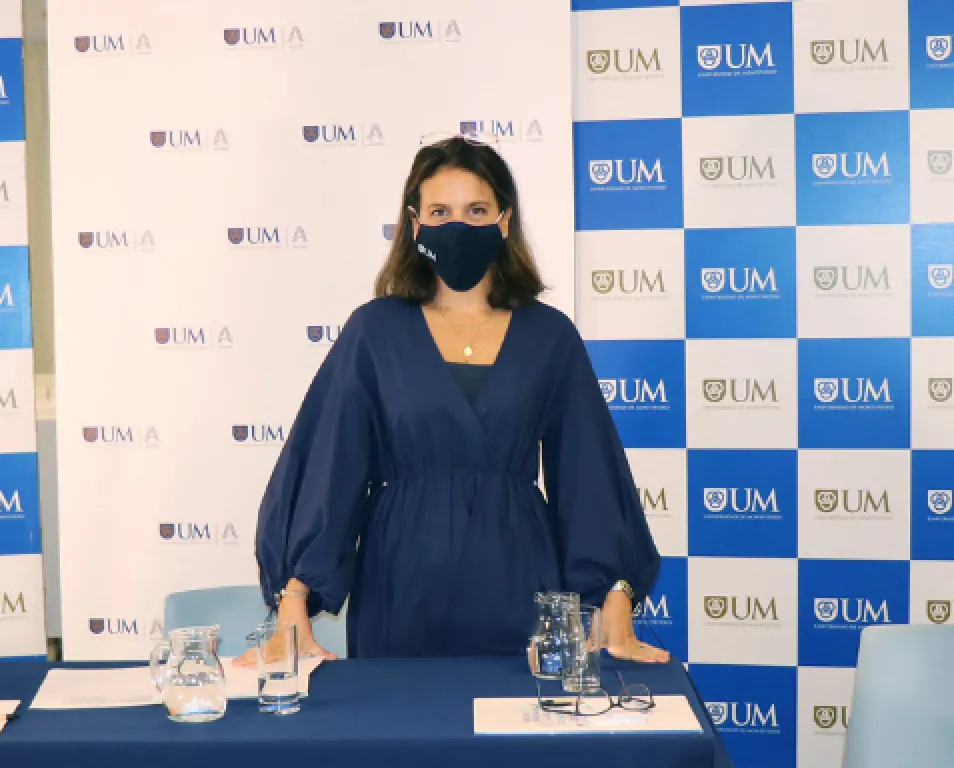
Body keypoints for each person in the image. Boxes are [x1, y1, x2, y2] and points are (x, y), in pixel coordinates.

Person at [252, 135, 669, 664]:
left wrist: (615, 594)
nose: (458, 225)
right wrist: (295, 598)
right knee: (402, 741)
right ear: (414, 222)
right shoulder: (374, 332)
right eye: (440, 211)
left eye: (476, 210)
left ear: (503, 220)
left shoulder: (550, 336)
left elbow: (589, 472)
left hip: (520, 583)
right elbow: (329, 464)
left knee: (521, 737)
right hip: (400, 585)